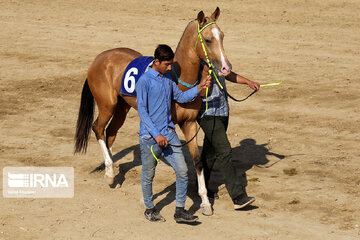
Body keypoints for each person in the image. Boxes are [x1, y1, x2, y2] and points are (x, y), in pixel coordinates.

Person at [136, 44, 211, 223]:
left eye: (171, 64)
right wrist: (156, 135)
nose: (170, 68)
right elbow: (142, 111)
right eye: (167, 65)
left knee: (183, 171)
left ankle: (179, 211)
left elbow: (181, 97)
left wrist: (199, 88)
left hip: (169, 134)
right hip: (150, 138)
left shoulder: (168, 79)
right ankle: (149, 209)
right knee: (148, 175)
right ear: (157, 62)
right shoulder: (144, 81)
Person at [197, 63, 260, 210]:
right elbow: (200, 93)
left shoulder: (217, 58)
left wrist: (248, 82)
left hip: (223, 111)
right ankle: (238, 196)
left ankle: (200, 185)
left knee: (210, 151)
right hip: (208, 114)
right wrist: (206, 73)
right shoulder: (198, 64)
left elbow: (227, 74)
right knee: (224, 150)